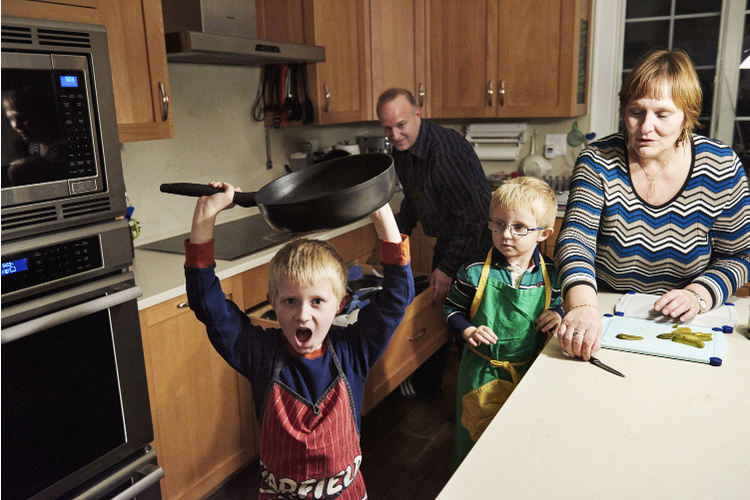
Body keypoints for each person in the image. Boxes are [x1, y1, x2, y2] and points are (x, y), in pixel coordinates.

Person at [184, 182, 413, 499]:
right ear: (272, 303)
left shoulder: (354, 351)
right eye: (290, 301)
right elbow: (207, 303)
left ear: (342, 304)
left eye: (317, 301)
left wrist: (380, 211)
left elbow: (396, 298)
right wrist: (205, 219)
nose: (303, 315)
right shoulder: (261, 355)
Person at [555, 48, 750, 361]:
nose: (645, 127)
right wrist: (582, 306)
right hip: (603, 310)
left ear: (686, 116)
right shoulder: (597, 160)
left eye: (662, 114)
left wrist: (698, 295)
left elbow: (739, 254)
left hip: (686, 320)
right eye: (636, 112)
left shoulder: (721, 167)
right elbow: (575, 241)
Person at [377, 87, 492, 399]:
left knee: (471, 322)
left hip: (480, 243)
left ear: (418, 114)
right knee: (439, 311)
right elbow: (414, 201)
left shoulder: (445, 152)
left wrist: (447, 267)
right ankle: (428, 387)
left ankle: (480, 396)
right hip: (451, 237)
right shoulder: (402, 153)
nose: (395, 135)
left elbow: (474, 216)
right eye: (387, 128)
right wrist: (393, 237)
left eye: (401, 125)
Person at [443, 176, 563, 469]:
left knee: (520, 440)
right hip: (480, 371)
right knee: (474, 437)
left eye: (519, 227)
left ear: (544, 234)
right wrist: (467, 329)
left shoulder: (552, 273)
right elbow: (450, 310)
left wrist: (558, 312)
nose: (505, 234)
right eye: (497, 224)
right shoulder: (472, 272)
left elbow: (560, 303)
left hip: (529, 369)